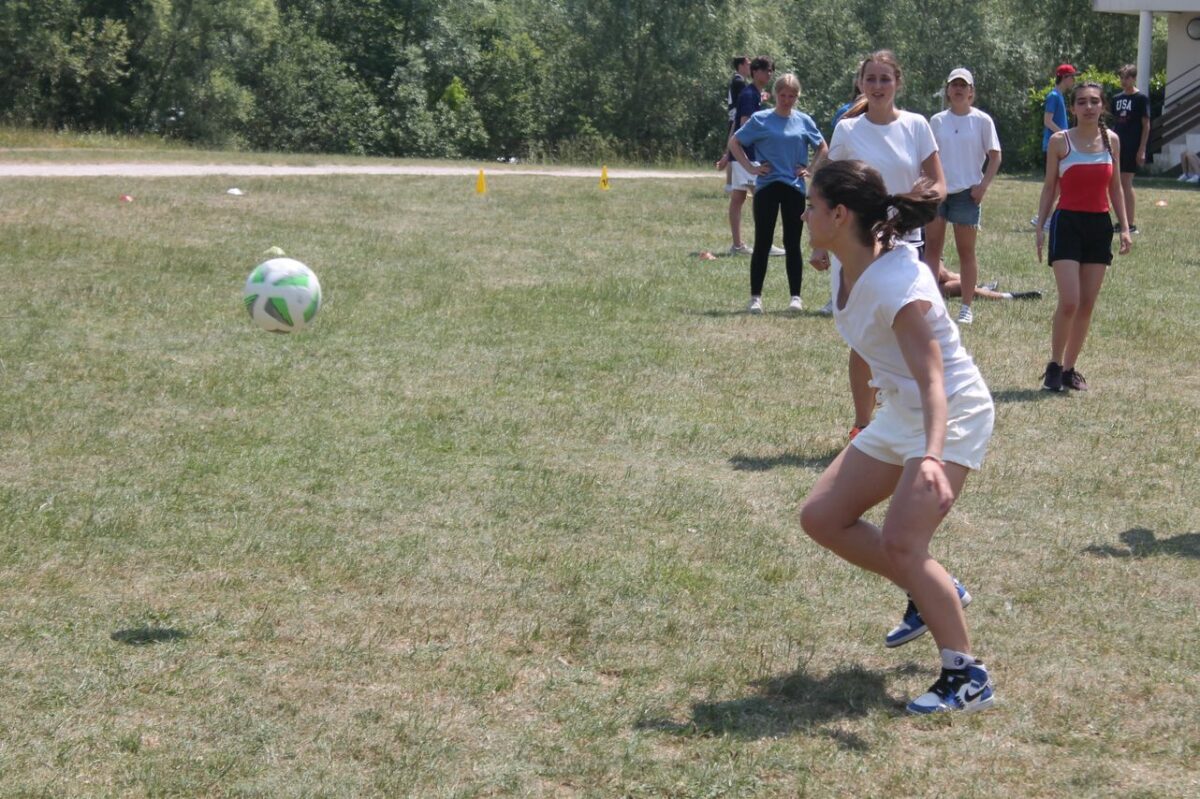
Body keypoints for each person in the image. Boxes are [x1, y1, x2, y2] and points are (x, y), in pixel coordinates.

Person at [800, 159, 995, 715]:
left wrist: (931, 455)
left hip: (950, 413)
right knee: (821, 517)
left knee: (903, 544)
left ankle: (967, 677)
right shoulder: (851, 263)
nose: (805, 214)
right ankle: (935, 587)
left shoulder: (899, 286)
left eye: (812, 206)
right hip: (901, 411)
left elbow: (934, 380)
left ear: (840, 214)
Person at [810, 49, 947, 438]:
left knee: (908, 329)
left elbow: (939, 182)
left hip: (904, 242)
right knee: (865, 336)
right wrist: (820, 244)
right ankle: (863, 425)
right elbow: (827, 190)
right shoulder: (847, 130)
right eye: (870, 78)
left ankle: (910, 417)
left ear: (898, 82)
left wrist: (917, 204)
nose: (878, 86)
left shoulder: (917, 125)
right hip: (856, 245)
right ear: (860, 84)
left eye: (885, 78)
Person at [1035, 82, 1132, 392]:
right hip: (1067, 223)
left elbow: (1115, 188)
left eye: (1094, 101)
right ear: (1073, 108)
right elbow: (1050, 186)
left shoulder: (1112, 141)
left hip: (1099, 226)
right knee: (1070, 302)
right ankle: (1053, 365)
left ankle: (1069, 369)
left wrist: (1125, 227)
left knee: (1087, 304)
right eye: (1081, 102)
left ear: (1102, 106)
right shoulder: (1060, 142)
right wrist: (1040, 226)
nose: (1088, 107)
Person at [728, 72, 828, 313]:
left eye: (791, 96)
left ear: (797, 96)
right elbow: (735, 142)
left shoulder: (803, 121)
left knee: (792, 242)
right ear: (775, 95)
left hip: (794, 187)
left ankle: (795, 297)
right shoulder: (761, 119)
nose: (786, 100)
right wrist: (750, 167)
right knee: (763, 241)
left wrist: (810, 169)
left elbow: (823, 147)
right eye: (783, 95)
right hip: (767, 186)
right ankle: (755, 298)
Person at [927, 68, 1002, 326]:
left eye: (963, 85)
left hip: (967, 194)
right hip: (938, 192)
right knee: (932, 249)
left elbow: (995, 156)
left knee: (966, 252)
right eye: (954, 85)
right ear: (948, 90)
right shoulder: (937, 121)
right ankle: (931, 304)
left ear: (971, 91)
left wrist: (983, 186)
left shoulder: (982, 120)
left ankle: (966, 307)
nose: (958, 89)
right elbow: (927, 155)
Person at [715, 57, 782, 256]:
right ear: (754, 71)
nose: (769, 74)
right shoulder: (749, 94)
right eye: (765, 70)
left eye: (771, 70)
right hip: (747, 155)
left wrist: (728, 153)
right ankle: (764, 244)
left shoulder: (754, 94)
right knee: (762, 198)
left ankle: (738, 246)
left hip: (741, 155)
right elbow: (745, 124)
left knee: (738, 198)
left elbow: (736, 125)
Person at [1032, 64, 1077, 228]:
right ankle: (1043, 217)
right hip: (1053, 146)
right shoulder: (1053, 96)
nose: (1074, 81)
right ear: (1064, 77)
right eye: (1072, 77)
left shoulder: (1059, 96)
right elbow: (1048, 121)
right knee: (1052, 184)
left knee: (1058, 184)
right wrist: (1064, 135)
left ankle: (1046, 216)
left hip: (1059, 145)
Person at [1111, 64, 1150, 233]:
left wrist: (1142, 149)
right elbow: (1114, 123)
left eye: (1127, 77)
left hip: (1132, 145)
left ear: (1134, 78)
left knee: (1126, 183)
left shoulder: (1141, 99)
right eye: (1121, 77)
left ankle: (1130, 224)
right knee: (1116, 183)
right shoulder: (1116, 99)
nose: (1123, 81)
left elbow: (1146, 125)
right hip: (1117, 145)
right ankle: (1121, 221)